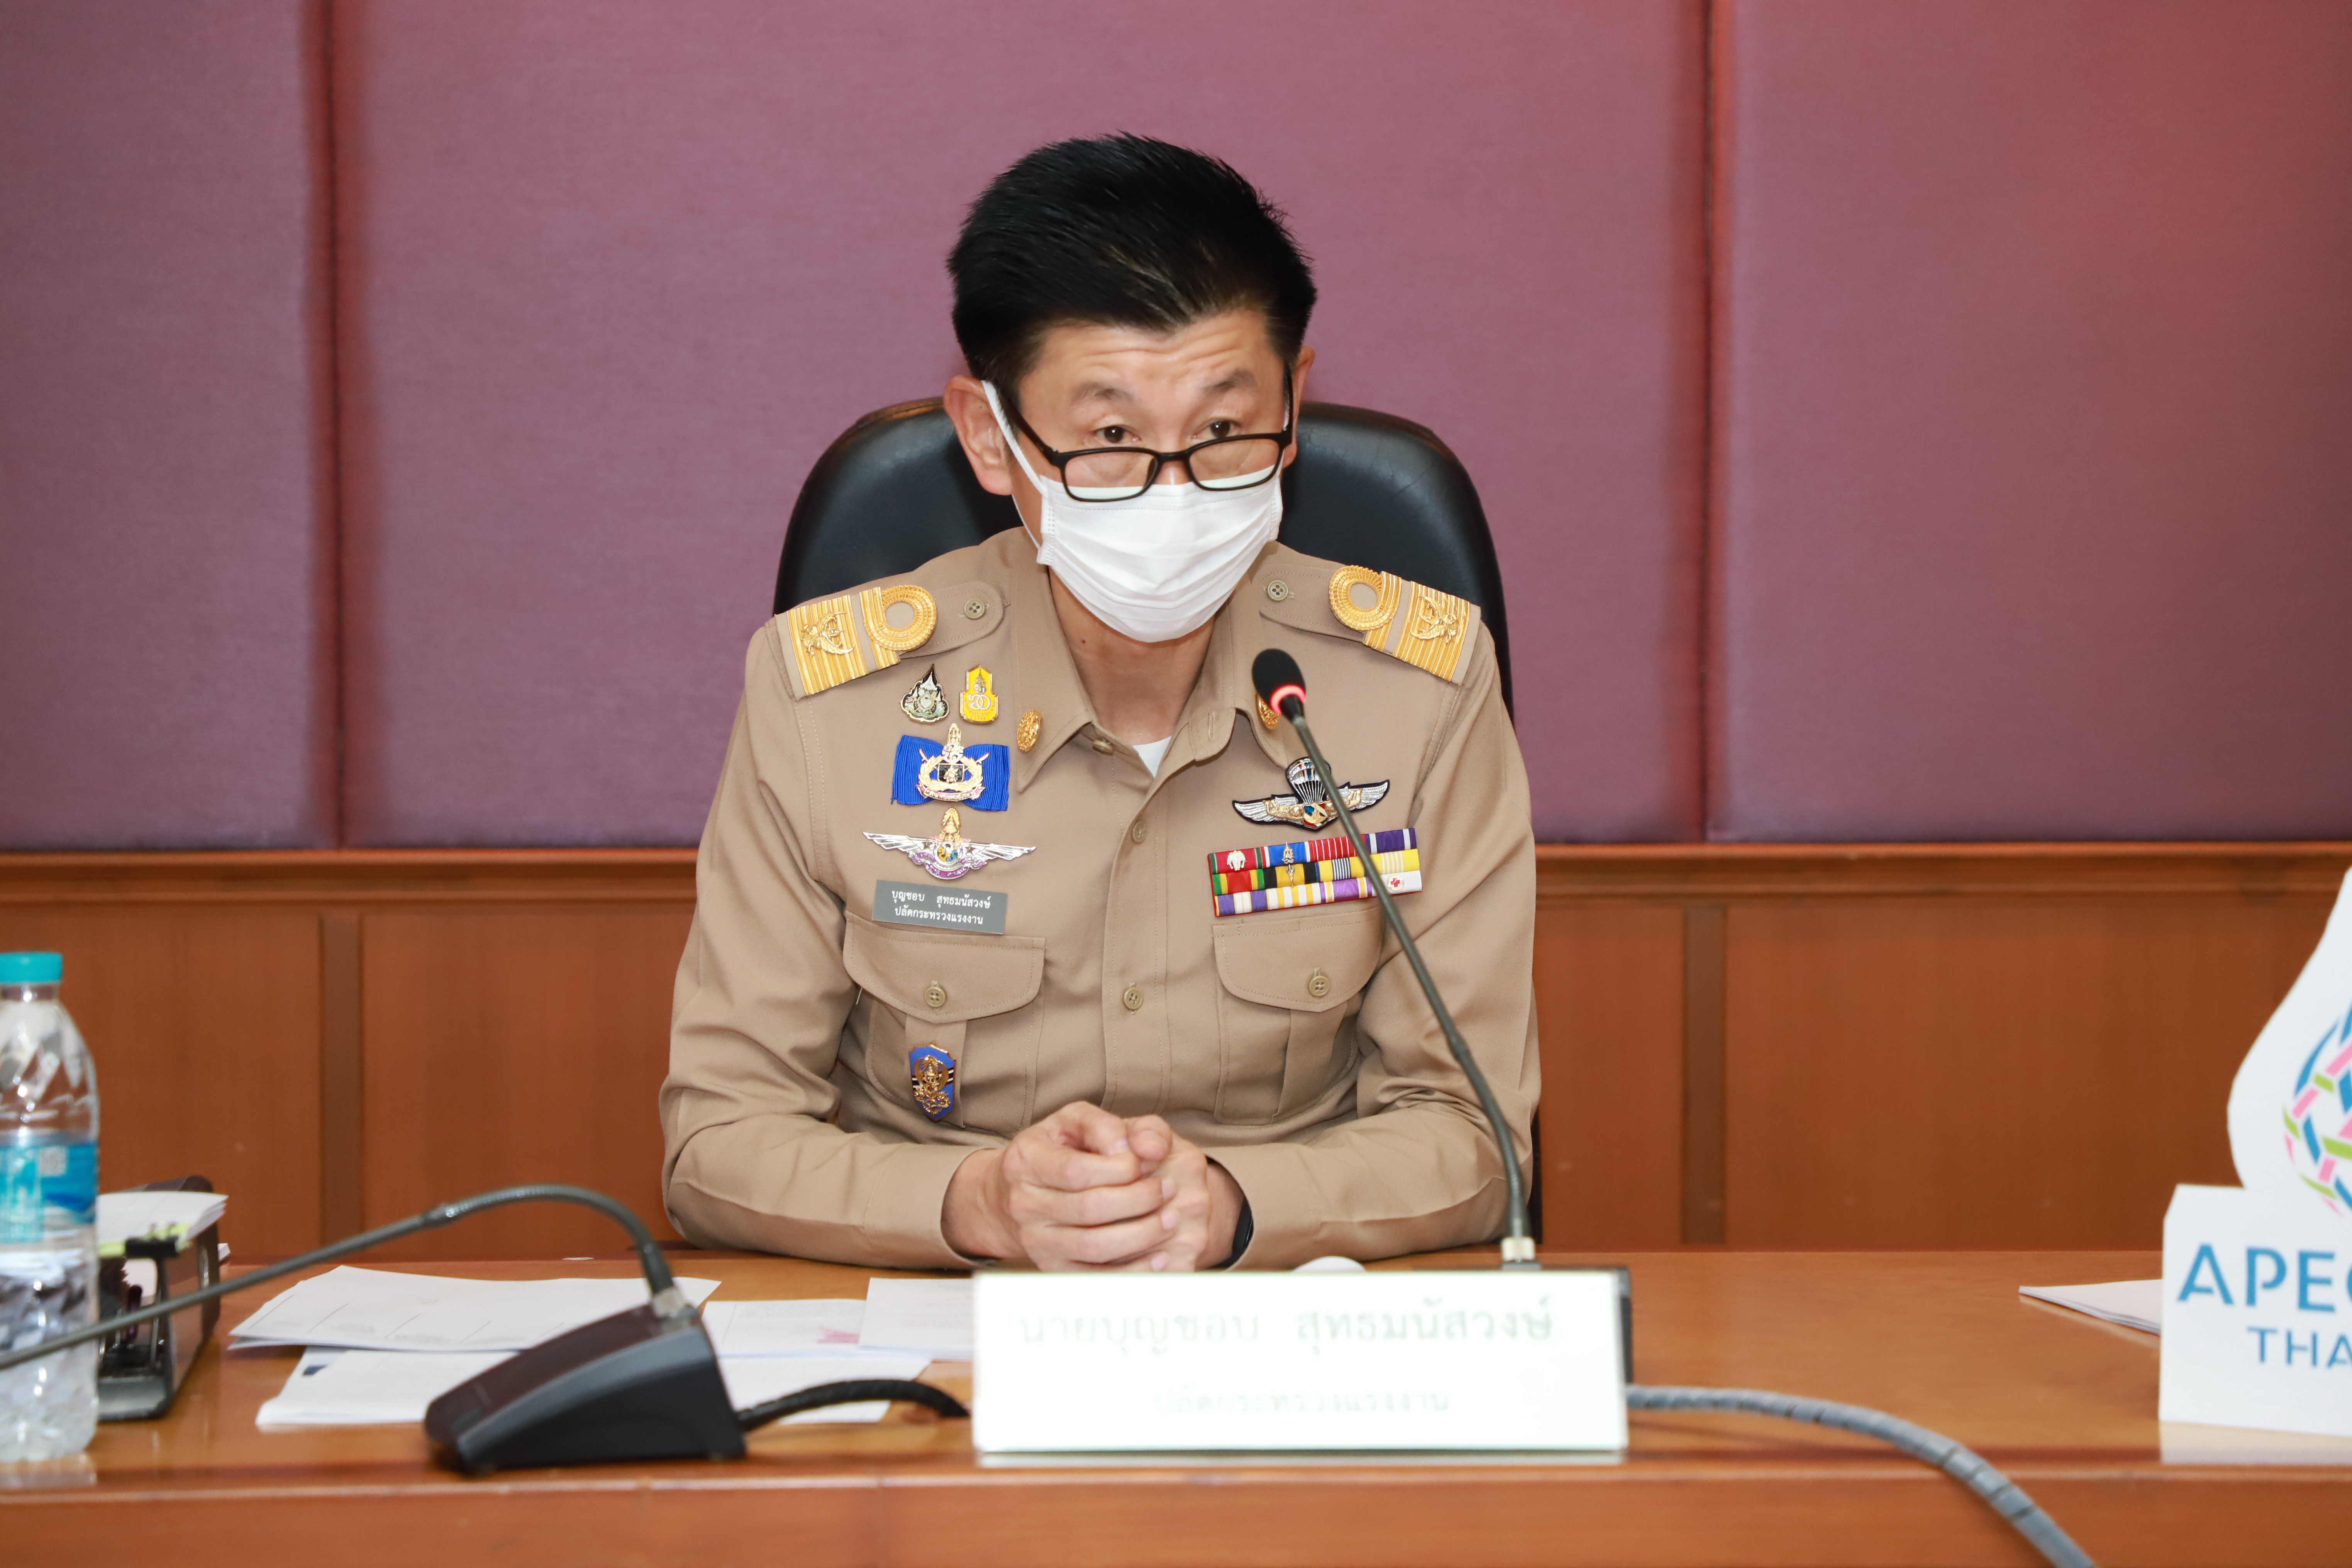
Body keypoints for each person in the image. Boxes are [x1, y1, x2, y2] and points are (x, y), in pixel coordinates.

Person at [661, 134, 1536, 1271]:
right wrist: (976, 1204)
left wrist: (1232, 1205)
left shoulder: (1418, 687)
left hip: (1280, 1308)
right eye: (1112, 438)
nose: (1174, 492)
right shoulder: (828, 698)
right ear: (990, 437)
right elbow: (719, 1141)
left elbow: (1473, 1130)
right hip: (938, 1316)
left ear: (1293, 405)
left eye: (1222, 432)